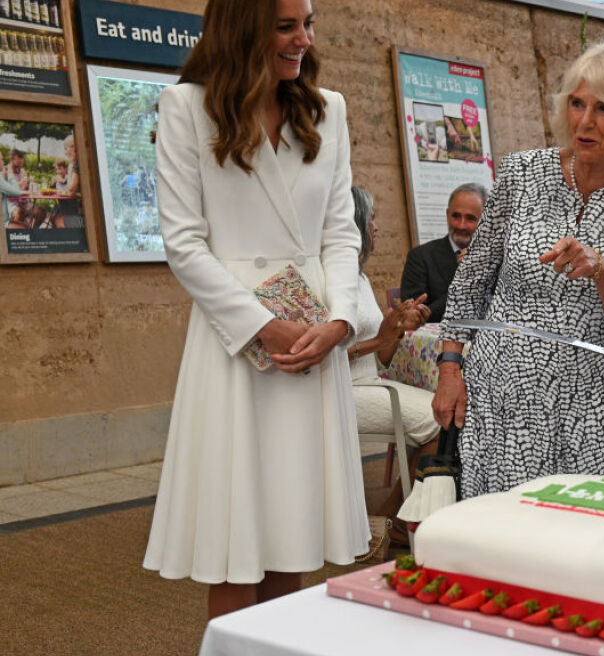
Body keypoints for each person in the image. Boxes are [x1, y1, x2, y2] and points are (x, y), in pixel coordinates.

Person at [143, 0, 369, 619]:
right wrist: (261, 327)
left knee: (292, 531)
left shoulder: (329, 109)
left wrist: (340, 323)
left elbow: (341, 234)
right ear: (244, 27)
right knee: (235, 541)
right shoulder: (186, 108)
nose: (304, 39)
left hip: (312, 341)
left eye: (309, 24)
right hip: (237, 344)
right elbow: (183, 242)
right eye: (286, 26)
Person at [432, 42, 604, 499]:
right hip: (506, 391)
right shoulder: (522, 173)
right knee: (507, 532)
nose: (584, 121)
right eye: (577, 104)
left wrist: (600, 269)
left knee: (586, 535)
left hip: (595, 400)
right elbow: (471, 280)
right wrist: (450, 368)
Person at [347, 186, 439, 539]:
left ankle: (396, 515)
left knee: (444, 409)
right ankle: (396, 520)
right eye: (371, 218)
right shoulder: (330, 277)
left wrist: (398, 329)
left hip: (370, 381)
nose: (376, 227)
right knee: (438, 418)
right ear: (353, 224)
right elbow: (322, 353)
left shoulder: (360, 276)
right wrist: (381, 338)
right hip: (343, 390)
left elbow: (382, 356)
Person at [400, 182, 486, 322]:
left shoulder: (497, 260)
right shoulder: (420, 257)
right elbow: (416, 317)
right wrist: (466, 279)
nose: (461, 225)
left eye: (470, 218)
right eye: (456, 216)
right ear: (447, 215)